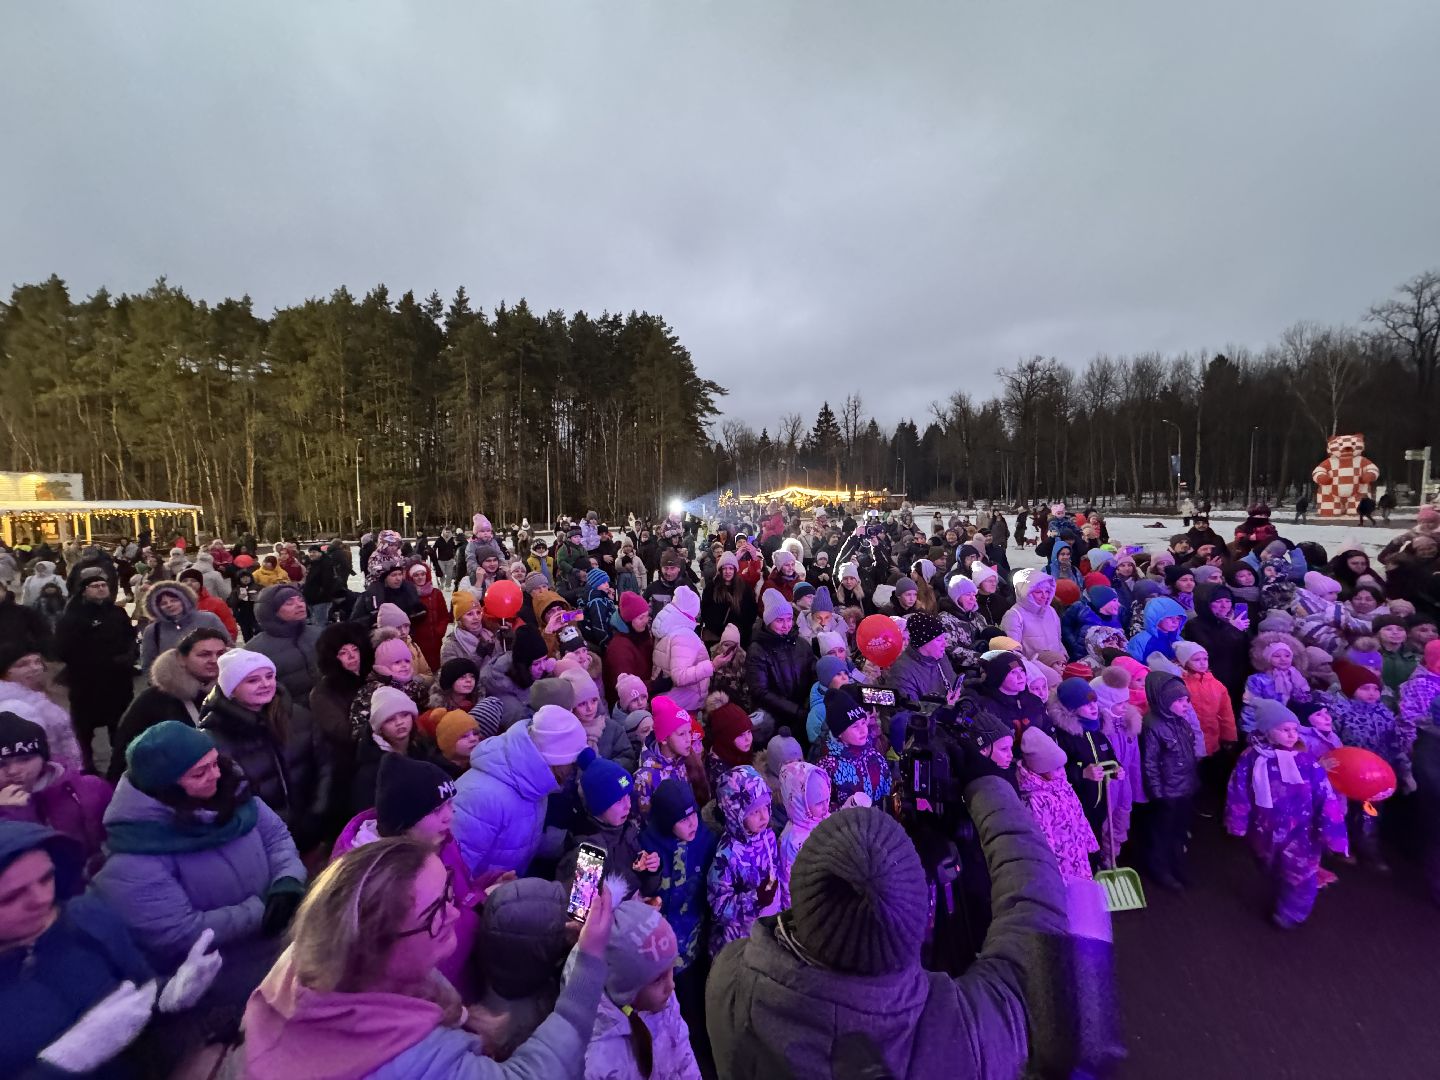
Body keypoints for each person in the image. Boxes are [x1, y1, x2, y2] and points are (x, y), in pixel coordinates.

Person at [707, 754, 1079, 1079]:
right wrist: (989, 786)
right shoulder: (967, 1031)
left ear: (804, 896)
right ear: (916, 913)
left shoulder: (732, 980)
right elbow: (1035, 920)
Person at [242, 835, 613, 1080]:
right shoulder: (406, 1064)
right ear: (377, 948)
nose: (454, 913)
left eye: (448, 891)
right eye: (436, 910)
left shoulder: (317, 953)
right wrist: (588, 962)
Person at [92, 722, 305, 1019]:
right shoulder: (132, 860)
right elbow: (179, 931)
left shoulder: (235, 798)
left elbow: (277, 839)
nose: (216, 775)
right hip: (221, 984)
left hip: (281, 952)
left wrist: (287, 882)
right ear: (165, 786)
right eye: (199, 773)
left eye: (214, 763)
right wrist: (263, 910)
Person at [0, 821, 224, 1080]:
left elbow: (140, 986)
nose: (41, 899)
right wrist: (61, 1065)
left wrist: (169, 996)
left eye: (46, 878)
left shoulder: (88, 917)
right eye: (11, 897)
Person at [1226, 700, 1348, 927]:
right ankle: (1279, 897)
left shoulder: (1306, 762)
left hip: (1303, 831)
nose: (1292, 735)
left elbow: (1325, 796)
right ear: (1267, 731)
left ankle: (1291, 913)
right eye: (1285, 730)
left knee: (1301, 873)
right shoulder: (1251, 758)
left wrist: (1333, 833)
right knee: (1270, 866)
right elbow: (1238, 790)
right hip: (1264, 828)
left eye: (1294, 729)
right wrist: (1238, 821)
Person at [198, 649, 333, 846]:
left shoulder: (299, 716)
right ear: (231, 690)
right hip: (263, 838)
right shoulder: (214, 737)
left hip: (312, 827)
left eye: (269, 676)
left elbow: (325, 765)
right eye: (252, 680)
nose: (265, 684)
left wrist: (318, 810)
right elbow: (227, 797)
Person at [576, 886, 702, 1080]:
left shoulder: (664, 999)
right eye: (658, 978)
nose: (672, 986)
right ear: (625, 988)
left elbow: (683, 1052)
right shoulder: (599, 1061)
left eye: (671, 971)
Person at [452, 704, 586, 877]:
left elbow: (517, 840)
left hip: (509, 890)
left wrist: (566, 844)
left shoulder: (535, 780)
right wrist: (483, 898)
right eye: (572, 762)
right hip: (484, 899)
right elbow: (452, 876)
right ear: (558, 761)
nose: (573, 770)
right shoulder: (479, 797)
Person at [0, 712, 111, 874]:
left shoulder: (89, 789)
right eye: (1, 764)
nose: (14, 771)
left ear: (43, 757)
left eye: (25, 759)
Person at [56, 567, 136, 774]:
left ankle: (121, 765)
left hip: (118, 680)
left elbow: (130, 637)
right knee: (84, 728)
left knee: (120, 725)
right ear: (84, 590)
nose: (101, 589)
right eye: (95, 586)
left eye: (104, 585)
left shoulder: (117, 612)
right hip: (86, 682)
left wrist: (129, 656)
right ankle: (87, 766)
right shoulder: (72, 616)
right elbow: (63, 649)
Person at [707, 765, 780, 959]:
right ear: (734, 812)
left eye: (766, 806)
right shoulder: (726, 854)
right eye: (755, 811)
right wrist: (755, 898)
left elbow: (776, 872)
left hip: (767, 928)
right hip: (739, 941)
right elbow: (719, 907)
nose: (764, 816)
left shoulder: (768, 836)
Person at [1141, 671, 1201, 890]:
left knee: (1179, 829)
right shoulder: (1153, 725)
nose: (1185, 705)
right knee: (1162, 832)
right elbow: (1150, 762)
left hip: (1184, 787)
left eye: (1186, 700)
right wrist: (1157, 792)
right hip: (1167, 792)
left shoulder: (1180, 722)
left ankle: (1177, 864)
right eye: (1179, 701)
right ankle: (1159, 868)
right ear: (1164, 701)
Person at [1016, 726, 1097, 880]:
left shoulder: (1061, 783)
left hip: (1077, 853)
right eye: (1056, 768)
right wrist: (1051, 870)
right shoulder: (1035, 800)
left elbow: (1077, 812)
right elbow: (1044, 839)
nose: (1062, 772)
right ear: (1040, 769)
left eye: (1062, 767)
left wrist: (1087, 841)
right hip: (1061, 865)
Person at [243, 583, 322, 728]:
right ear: (271, 611)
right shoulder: (255, 649)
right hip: (290, 722)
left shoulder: (319, 634)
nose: (299, 605)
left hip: (328, 714)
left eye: (300, 599)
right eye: (289, 603)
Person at [0, 641, 84, 775]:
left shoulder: (39, 696)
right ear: (5, 672)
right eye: (23, 664)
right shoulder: (10, 707)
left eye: (37, 662)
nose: (35, 668)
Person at [746, 589, 815, 743]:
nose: (786, 625)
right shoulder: (758, 649)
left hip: (802, 710)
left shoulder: (801, 644)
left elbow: (812, 671)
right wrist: (795, 710)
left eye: (789, 619)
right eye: (780, 620)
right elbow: (760, 691)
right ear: (769, 622)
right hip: (774, 715)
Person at [816, 686, 892, 808]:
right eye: (855, 726)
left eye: (863, 723)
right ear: (839, 732)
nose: (863, 730)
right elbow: (822, 811)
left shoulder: (874, 755)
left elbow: (887, 793)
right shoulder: (827, 767)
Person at [650, 586, 713, 714]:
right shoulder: (684, 636)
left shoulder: (668, 628)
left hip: (667, 698)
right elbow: (680, 677)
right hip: (685, 703)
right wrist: (711, 666)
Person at [775, 760, 830, 907]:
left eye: (827, 799)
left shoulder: (828, 819)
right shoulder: (791, 841)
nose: (825, 807)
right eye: (819, 803)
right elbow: (789, 885)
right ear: (799, 802)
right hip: (809, 904)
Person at [602, 592, 654, 706]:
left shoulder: (640, 633)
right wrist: (655, 685)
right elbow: (625, 688)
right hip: (629, 706)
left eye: (647, 615)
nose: (646, 620)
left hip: (643, 696)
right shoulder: (619, 648)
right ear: (629, 621)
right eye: (641, 618)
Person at [1001, 568, 1063, 659]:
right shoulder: (1014, 616)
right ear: (1024, 592)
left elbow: (1058, 641)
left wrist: (1063, 656)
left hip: (1058, 667)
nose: (1044, 596)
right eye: (1038, 592)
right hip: (1033, 670)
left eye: (1047, 591)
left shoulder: (1051, 611)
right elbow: (1014, 652)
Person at [407, 562, 451, 671]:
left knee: (435, 667)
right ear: (411, 578)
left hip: (434, 640)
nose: (420, 577)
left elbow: (444, 616)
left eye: (422, 574)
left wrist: (439, 631)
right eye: (416, 575)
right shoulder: (408, 595)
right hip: (417, 641)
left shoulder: (436, 593)